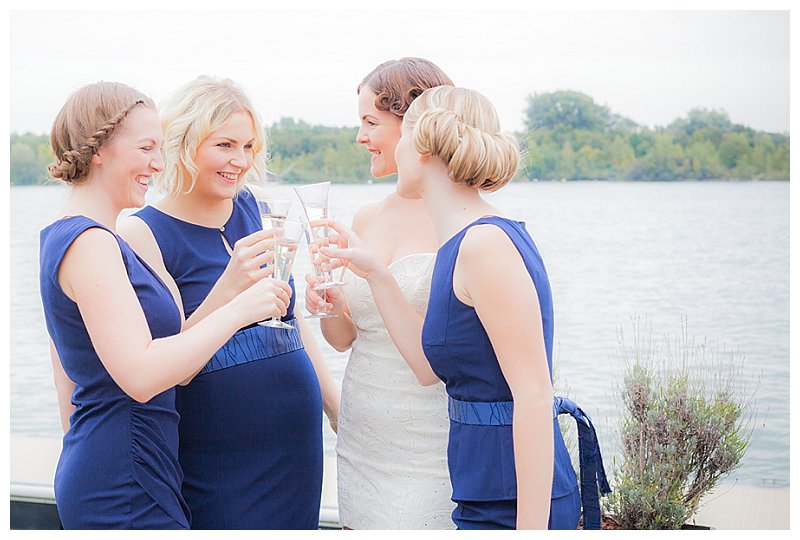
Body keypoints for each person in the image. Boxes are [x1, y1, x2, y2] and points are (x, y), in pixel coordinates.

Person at [323, 86, 595, 529]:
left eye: (405, 133)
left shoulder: (485, 243)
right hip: (475, 483)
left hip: (514, 497)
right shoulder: (457, 243)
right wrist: (375, 273)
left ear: (426, 147)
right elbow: (429, 368)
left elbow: (534, 394)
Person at [40, 82, 288, 529]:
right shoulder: (90, 242)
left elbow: (64, 373)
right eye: (146, 148)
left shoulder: (82, 236)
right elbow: (141, 375)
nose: (158, 163)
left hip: (134, 464)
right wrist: (240, 308)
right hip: (123, 477)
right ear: (99, 150)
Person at [118, 76, 339, 530]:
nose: (240, 161)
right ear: (185, 142)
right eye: (225, 145)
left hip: (296, 452)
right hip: (216, 455)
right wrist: (229, 288)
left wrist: (337, 411)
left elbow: (290, 318)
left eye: (249, 147)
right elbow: (165, 364)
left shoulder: (257, 208)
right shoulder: (142, 233)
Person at [304, 58, 456, 529]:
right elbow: (345, 338)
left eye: (371, 122)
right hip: (362, 437)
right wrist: (329, 306)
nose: (360, 136)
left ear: (416, 126)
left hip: (427, 443)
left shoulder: (455, 221)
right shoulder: (367, 216)